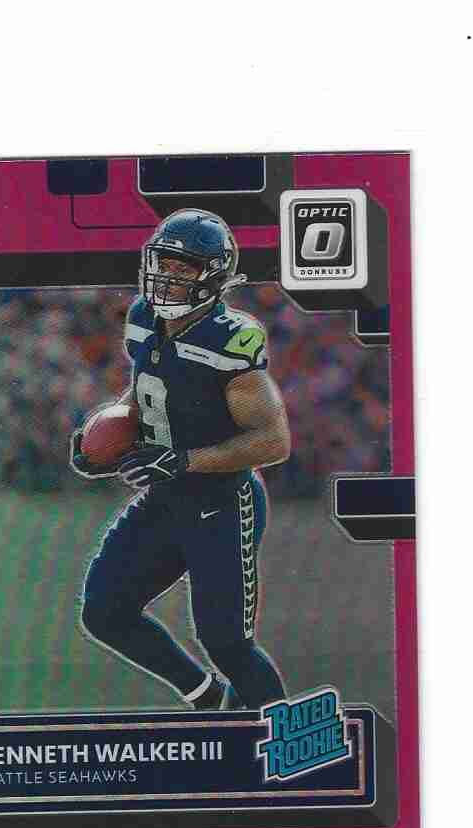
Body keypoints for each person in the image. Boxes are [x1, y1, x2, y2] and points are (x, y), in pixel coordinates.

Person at [70, 209, 290, 710]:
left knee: (228, 644)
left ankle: (293, 745)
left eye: (183, 267)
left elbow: (273, 441)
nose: (168, 277)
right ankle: (208, 698)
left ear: (212, 276)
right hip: (167, 497)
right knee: (105, 612)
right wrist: (106, 440)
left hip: (222, 503)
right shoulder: (143, 319)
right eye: (163, 264)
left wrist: (184, 460)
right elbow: (147, 391)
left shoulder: (229, 339)